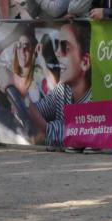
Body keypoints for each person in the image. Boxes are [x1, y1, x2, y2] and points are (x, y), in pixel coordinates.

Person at [27, 21, 92, 150]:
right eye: (57, 46)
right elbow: (42, 109)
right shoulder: (63, 89)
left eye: (65, 48)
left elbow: (54, 132)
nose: (57, 53)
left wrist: (23, 97)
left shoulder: (94, 98)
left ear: (85, 62)